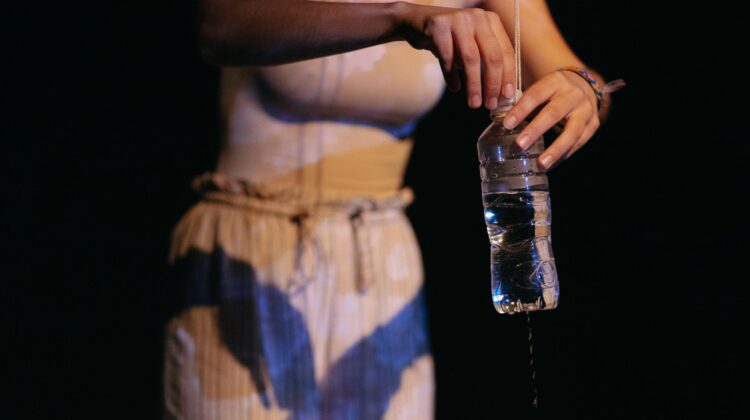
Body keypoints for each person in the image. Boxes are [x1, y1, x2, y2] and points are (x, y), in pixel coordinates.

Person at [162, 1, 617, 418]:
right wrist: (402, 17)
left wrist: (583, 88)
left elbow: (584, 77)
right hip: (249, 252)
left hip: (380, 260)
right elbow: (214, 26)